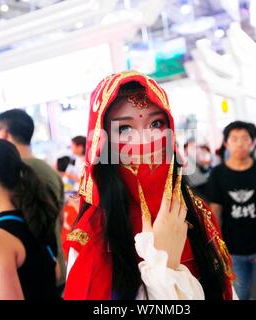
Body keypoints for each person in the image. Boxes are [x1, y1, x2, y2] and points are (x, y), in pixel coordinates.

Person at [63, 70, 235, 300]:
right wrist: (164, 268)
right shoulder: (92, 235)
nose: (145, 140)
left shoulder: (196, 211)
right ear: (103, 144)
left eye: (156, 123)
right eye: (124, 129)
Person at [0, 108, 66, 295]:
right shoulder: (50, 172)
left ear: (4, 133)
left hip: (17, 274)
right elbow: (60, 219)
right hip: (55, 267)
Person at [206, 121, 256, 300]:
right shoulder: (218, 174)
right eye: (234, 139)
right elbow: (215, 211)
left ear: (252, 142)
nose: (240, 143)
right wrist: (217, 248)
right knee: (237, 297)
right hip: (232, 252)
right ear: (226, 143)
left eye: (245, 138)